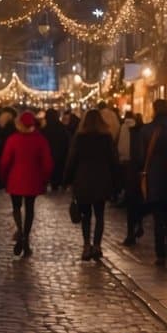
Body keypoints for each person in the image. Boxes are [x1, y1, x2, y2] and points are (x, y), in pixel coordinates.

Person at [63, 110, 117, 262]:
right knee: (100, 215)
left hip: (83, 180)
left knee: (86, 215)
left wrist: (66, 180)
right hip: (102, 180)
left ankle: (86, 246)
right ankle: (97, 245)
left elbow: (72, 160)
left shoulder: (80, 138)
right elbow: (113, 160)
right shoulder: (106, 138)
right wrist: (116, 181)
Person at [0, 110, 53, 259]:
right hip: (33, 179)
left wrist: (3, 177)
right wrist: (45, 178)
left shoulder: (13, 139)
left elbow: (5, 162)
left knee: (16, 207)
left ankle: (20, 231)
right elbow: (47, 163)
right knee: (30, 209)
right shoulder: (40, 140)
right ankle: (26, 237)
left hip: (15, 178)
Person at [139, 99, 167, 266]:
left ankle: (160, 254)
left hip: (153, 176)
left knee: (157, 217)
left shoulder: (146, 130)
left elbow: (141, 155)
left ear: (154, 109)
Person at [118, 112, 145, 245]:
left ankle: (130, 233)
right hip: (143, 169)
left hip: (130, 169)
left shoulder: (124, 128)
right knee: (139, 200)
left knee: (131, 202)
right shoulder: (143, 130)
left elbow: (121, 149)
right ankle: (138, 224)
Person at [41, 108, 71, 194]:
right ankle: (56, 185)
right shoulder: (62, 129)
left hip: (48, 156)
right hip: (60, 156)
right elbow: (66, 142)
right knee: (57, 172)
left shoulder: (44, 130)